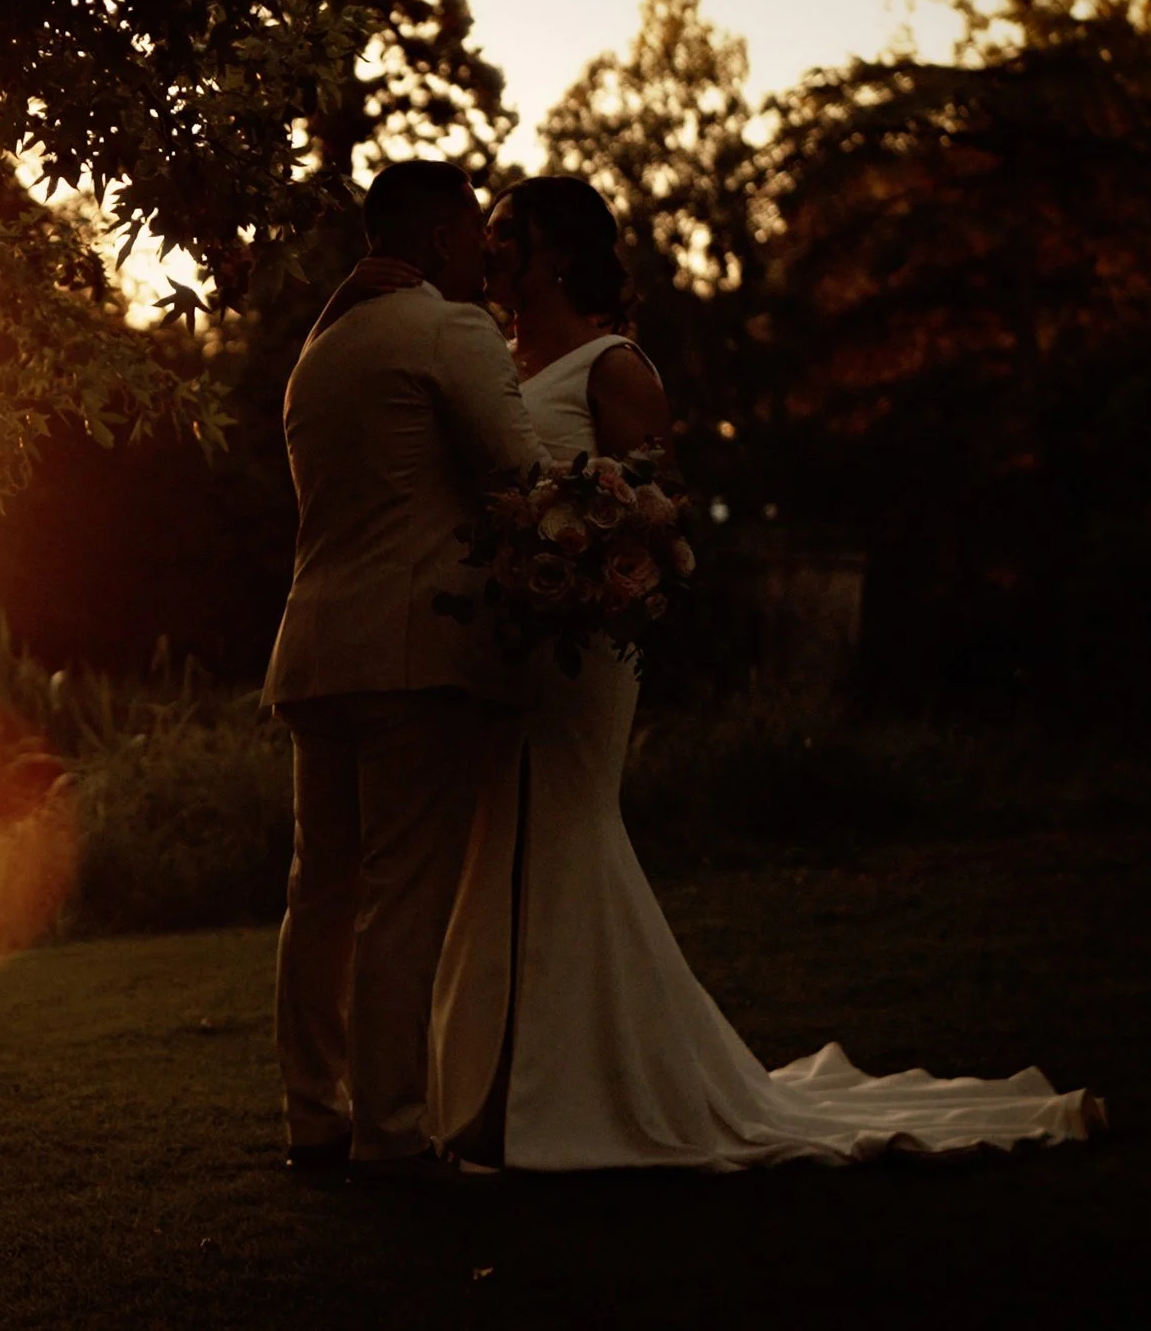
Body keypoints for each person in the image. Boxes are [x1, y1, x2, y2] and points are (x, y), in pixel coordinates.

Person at [318, 174, 1106, 1171]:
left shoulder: (614, 364)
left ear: (557, 253)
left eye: (510, 233)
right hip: (499, 639)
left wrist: (586, 567)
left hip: (582, 643)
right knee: (493, 846)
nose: (491, 248)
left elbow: (653, 509)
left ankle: (559, 1091)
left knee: (558, 829)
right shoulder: (485, 356)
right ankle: (490, 1092)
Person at [262, 159, 547, 1170]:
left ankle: (312, 1115)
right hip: (414, 648)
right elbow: (520, 474)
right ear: (437, 240)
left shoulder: (318, 350)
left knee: (320, 894)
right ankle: (389, 1132)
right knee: (400, 895)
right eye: (476, 234)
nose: (486, 253)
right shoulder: (449, 327)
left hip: (314, 646)